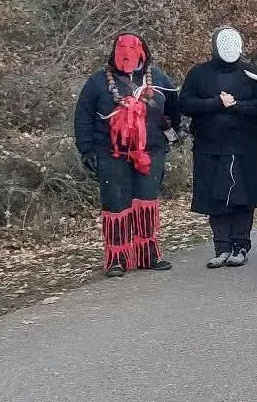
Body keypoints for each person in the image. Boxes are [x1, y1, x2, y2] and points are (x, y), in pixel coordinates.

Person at [73, 32, 181, 277]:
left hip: (150, 151)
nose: (127, 53)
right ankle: (116, 260)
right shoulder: (98, 82)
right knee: (116, 203)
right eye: (121, 48)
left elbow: (175, 106)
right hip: (111, 152)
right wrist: (86, 149)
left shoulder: (159, 78)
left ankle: (148, 255)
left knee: (146, 200)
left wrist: (171, 135)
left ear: (143, 50)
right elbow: (83, 116)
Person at [178, 26, 257, 268]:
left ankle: (240, 246)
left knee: (244, 198)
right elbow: (185, 103)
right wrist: (215, 103)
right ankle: (221, 247)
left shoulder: (251, 73)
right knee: (216, 199)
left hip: (244, 146)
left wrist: (236, 106)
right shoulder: (199, 74)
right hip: (209, 147)